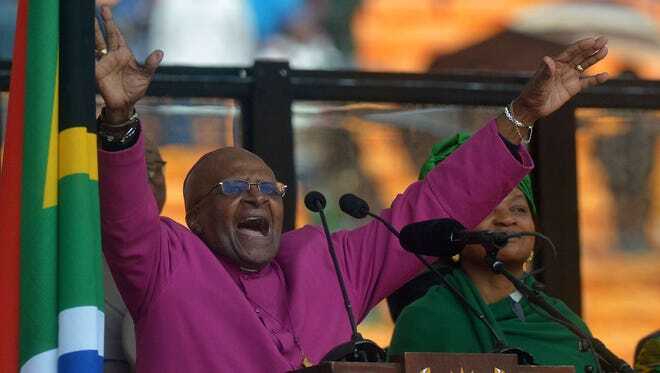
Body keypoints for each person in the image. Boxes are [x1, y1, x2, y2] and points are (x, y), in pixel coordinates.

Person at [94, 6, 609, 372]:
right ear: (198, 217)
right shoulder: (166, 260)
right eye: (235, 187)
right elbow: (126, 217)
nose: (258, 198)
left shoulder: (328, 264)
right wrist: (119, 117)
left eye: (269, 188)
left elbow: (432, 205)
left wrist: (520, 116)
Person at [387, 133, 600, 372]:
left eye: (519, 209)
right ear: (453, 230)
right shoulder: (426, 320)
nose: (507, 219)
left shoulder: (563, 324)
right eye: (487, 209)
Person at [104, 136, 166, 373]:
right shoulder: (65, 256)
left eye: (155, 167)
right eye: (138, 167)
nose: (150, 178)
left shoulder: (189, 254)